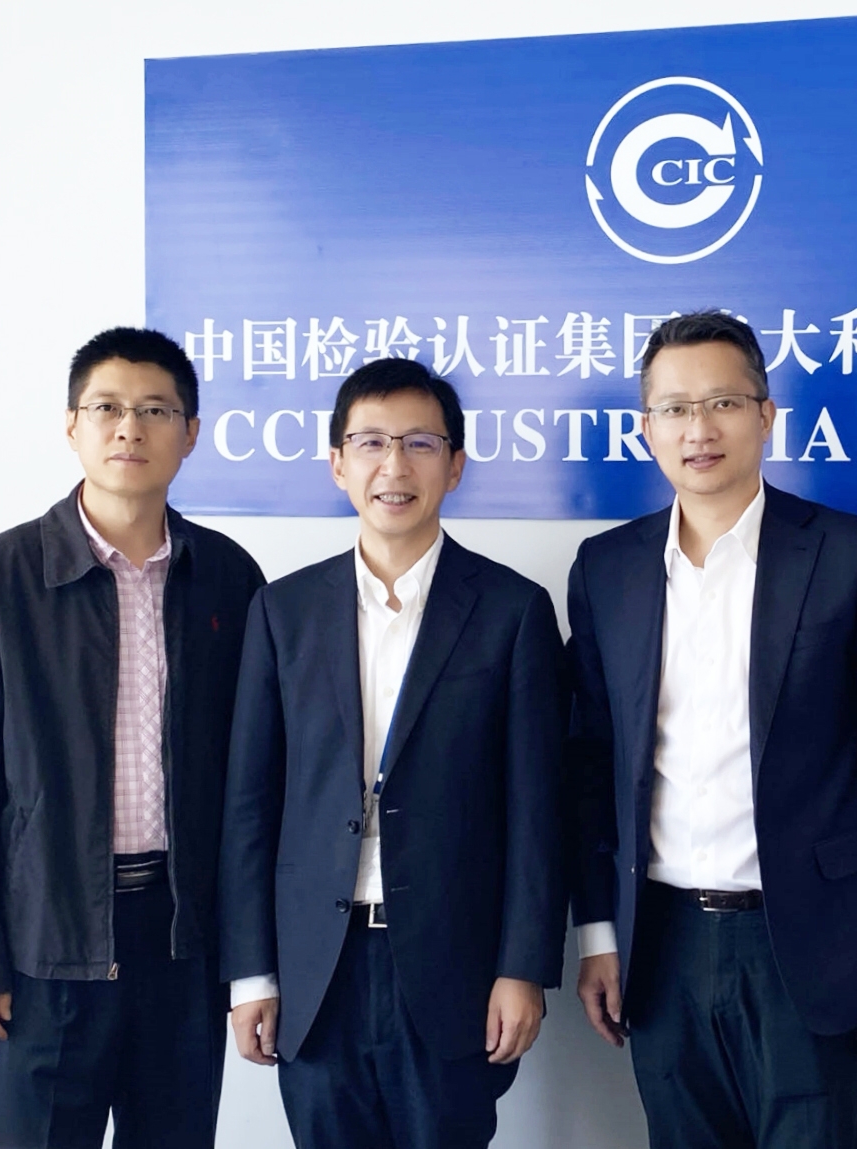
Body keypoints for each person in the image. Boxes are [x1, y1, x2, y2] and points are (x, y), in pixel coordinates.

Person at [566, 311, 857, 1149]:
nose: (698, 429)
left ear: (766, 415)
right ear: (646, 428)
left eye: (723, 403)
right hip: (659, 944)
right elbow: (590, 767)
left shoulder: (854, 556)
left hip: (810, 941)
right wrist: (598, 933)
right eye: (674, 408)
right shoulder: (606, 568)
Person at [0, 327, 267, 1148]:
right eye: (107, 407)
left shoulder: (228, 578)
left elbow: (256, 785)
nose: (129, 428)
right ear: (71, 425)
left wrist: (252, 955)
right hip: (42, 944)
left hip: (181, 942)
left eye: (155, 410)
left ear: (191, 432)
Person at [219, 358, 566, 1149]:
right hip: (316, 973)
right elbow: (250, 805)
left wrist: (522, 967)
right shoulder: (282, 610)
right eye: (371, 442)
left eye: (419, 443)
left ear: (456, 463)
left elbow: (537, 810)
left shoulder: (512, 610)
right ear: (337, 462)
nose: (394, 466)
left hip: (454, 970)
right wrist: (252, 973)